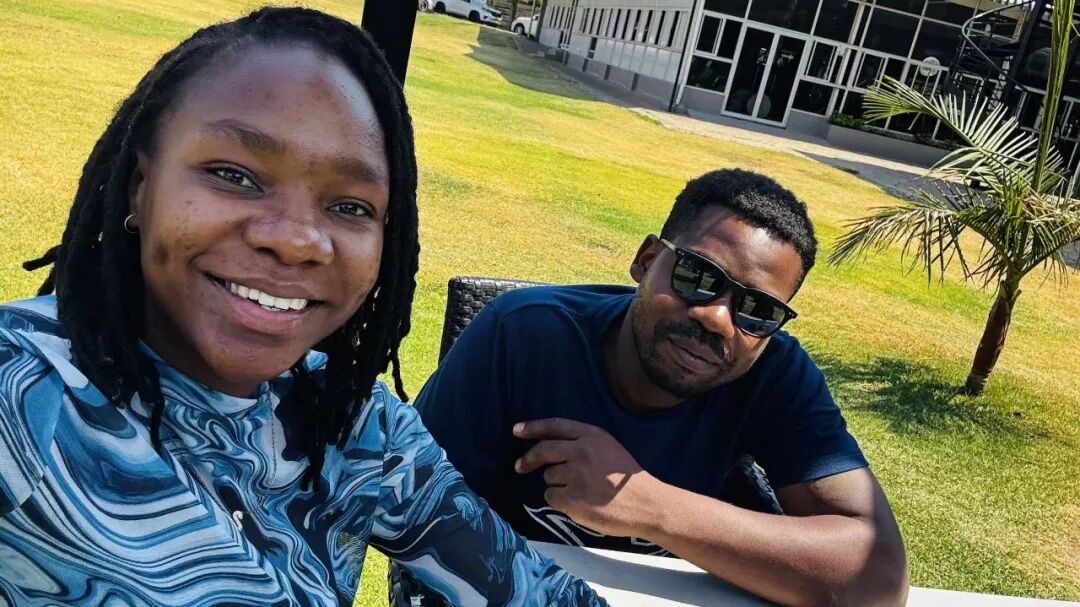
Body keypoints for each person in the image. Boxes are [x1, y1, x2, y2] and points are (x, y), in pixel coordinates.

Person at [0, 8, 607, 606]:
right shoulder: (23, 394)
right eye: (234, 175)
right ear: (140, 187)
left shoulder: (352, 422)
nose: (295, 240)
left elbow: (533, 592)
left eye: (350, 207)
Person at [416, 169, 910, 607]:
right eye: (698, 276)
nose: (718, 319)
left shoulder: (775, 374)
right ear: (646, 259)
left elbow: (878, 579)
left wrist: (648, 506)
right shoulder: (521, 334)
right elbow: (418, 512)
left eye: (759, 310)